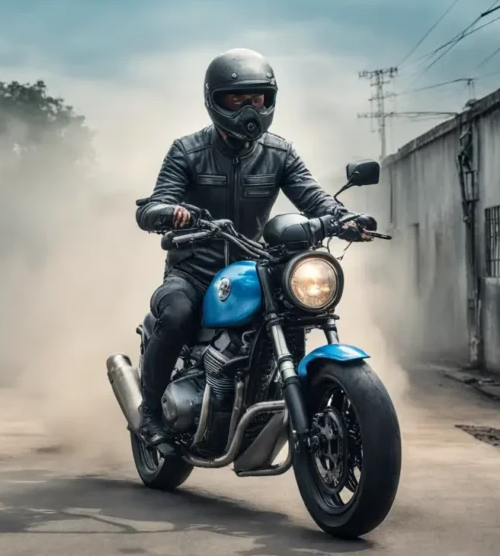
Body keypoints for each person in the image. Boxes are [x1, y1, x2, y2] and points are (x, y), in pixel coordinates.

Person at [134, 48, 374, 451]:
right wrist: (171, 212)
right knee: (175, 315)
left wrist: (344, 218)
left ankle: (278, 399)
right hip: (194, 271)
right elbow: (153, 206)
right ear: (216, 100)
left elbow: (314, 197)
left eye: (258, 98)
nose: (250, 107)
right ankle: (151, 413)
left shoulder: (279, 152)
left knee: (298, 309)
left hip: (253, 268)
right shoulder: (186, 151)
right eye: (237, 98)